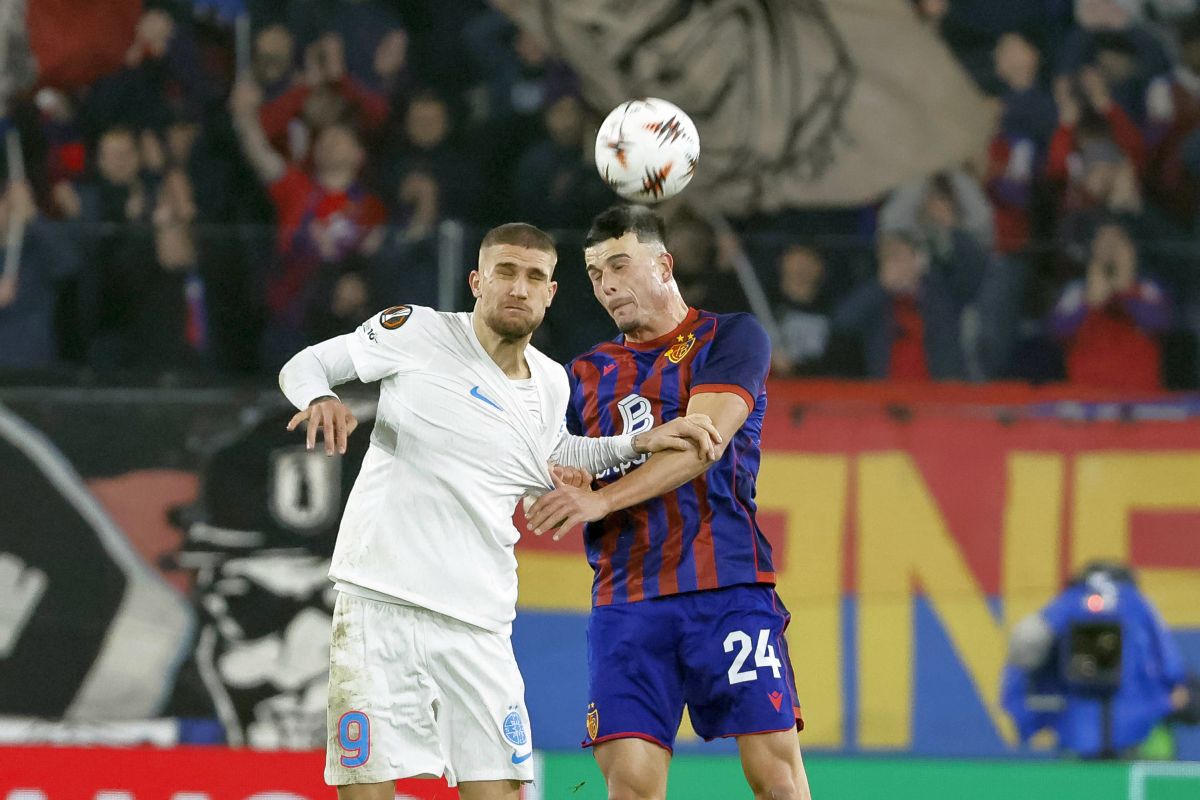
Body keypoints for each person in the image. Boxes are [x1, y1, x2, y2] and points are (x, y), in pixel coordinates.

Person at [277, 222, 722, 799]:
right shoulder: (417, 331)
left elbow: (554, 455)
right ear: (477, 281)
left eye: (534, 277)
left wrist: (640, 441)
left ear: (550, 293)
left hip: (480, 620)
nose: (518, 287)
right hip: (379, 603)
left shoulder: (552, 383)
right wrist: (321, 397)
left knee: (503, 793)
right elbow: (305, 364)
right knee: (368, 791)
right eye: (506, 272)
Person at [525, 205, 812, 800]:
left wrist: (605, 502)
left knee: (776, 778)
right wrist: (564, 481)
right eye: (595, 272)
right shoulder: (582, 375)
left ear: (664, 264)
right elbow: (557, 463)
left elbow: (701, 445)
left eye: (619, 265)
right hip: (627, 600)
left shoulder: (732, 337)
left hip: (727, 587)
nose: (606, 284)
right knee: (630, 785)